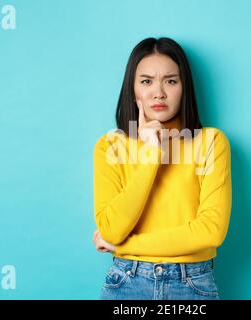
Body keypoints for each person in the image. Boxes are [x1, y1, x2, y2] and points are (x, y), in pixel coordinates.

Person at [92, 37, 232, 300]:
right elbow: (111, 229)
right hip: (127, 282)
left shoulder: (210, 142)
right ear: (132, 90)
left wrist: (127, 246)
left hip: (192, 284)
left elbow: (210, 231)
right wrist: (151, 156)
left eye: (171, 81)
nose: (159, 93)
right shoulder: (110, 145)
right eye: (146, 81)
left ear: (184, 87)